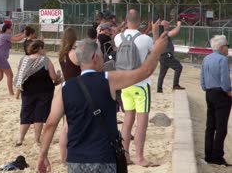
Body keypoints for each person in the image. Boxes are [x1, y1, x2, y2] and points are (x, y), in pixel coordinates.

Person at [37, 34, 168, 173]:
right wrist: (156, 51)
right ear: (94, 57)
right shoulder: (109, 79)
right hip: (103, 158)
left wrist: (43, 154)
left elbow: (50, 124)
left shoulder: (65, 88)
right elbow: (144, 72)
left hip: (76, 160)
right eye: (100, 54)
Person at [114, 9, 159, 167]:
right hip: (141, 84)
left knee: (127, 121)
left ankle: (125, 156)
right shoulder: (145, 39)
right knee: (142, 123)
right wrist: (154, 32)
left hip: (125, 83)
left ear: (126, 20)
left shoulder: (118, 37)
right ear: (139, 21)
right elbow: (156, 52)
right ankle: (139, 157)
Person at [14, 40, 62, 146]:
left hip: (27, 92)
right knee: (39, 116)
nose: (44, 50)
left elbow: (20, 76)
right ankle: (36, 140)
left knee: (25, 114)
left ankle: (20, 139)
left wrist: (17, 93)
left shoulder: (24, 59)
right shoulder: (45, 60)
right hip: (44, 92)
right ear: (39, 48)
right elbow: (53, 77)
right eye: (43, 48)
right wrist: (59, 74)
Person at [201, 35, 232, 166]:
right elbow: (225, 79)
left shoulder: (206, 58)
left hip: (209, 93)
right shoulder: (223, 60)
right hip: (221, 94)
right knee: (221, 127)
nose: (228, 49)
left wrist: (206, 88)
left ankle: (208, 154)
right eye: (227, 46)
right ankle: (217, 156)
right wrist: (229, 91)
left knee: (210, 126)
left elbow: (202, 77)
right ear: (221, 47)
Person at [57, 27, 81, 163]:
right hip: (77, 89)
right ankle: (68, 156)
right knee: (69, 126)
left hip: (66, 88)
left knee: (65, 125)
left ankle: (63, 157)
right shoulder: (74, 54)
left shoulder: (62, 54)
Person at [0, 24, 26, 96]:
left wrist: (22, 33)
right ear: (7, 29)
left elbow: (15, 36)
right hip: (1, 57)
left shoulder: (3, 35)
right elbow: (17, 39)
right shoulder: (5, 36)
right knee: (10, 75)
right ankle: (11, 93)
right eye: (10, 29)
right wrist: (24, 34)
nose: (11, 30)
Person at [157, 20, 185, 93]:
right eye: (168, 25)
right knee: (178, 67)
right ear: (164, 26)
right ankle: (175, 85)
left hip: (162, 55)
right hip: (166, 55)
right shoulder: (163, 32)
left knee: (162, 73)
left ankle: (159, 89)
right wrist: (178, 25)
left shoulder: (159, 32)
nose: (169, 26)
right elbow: (174, 32)